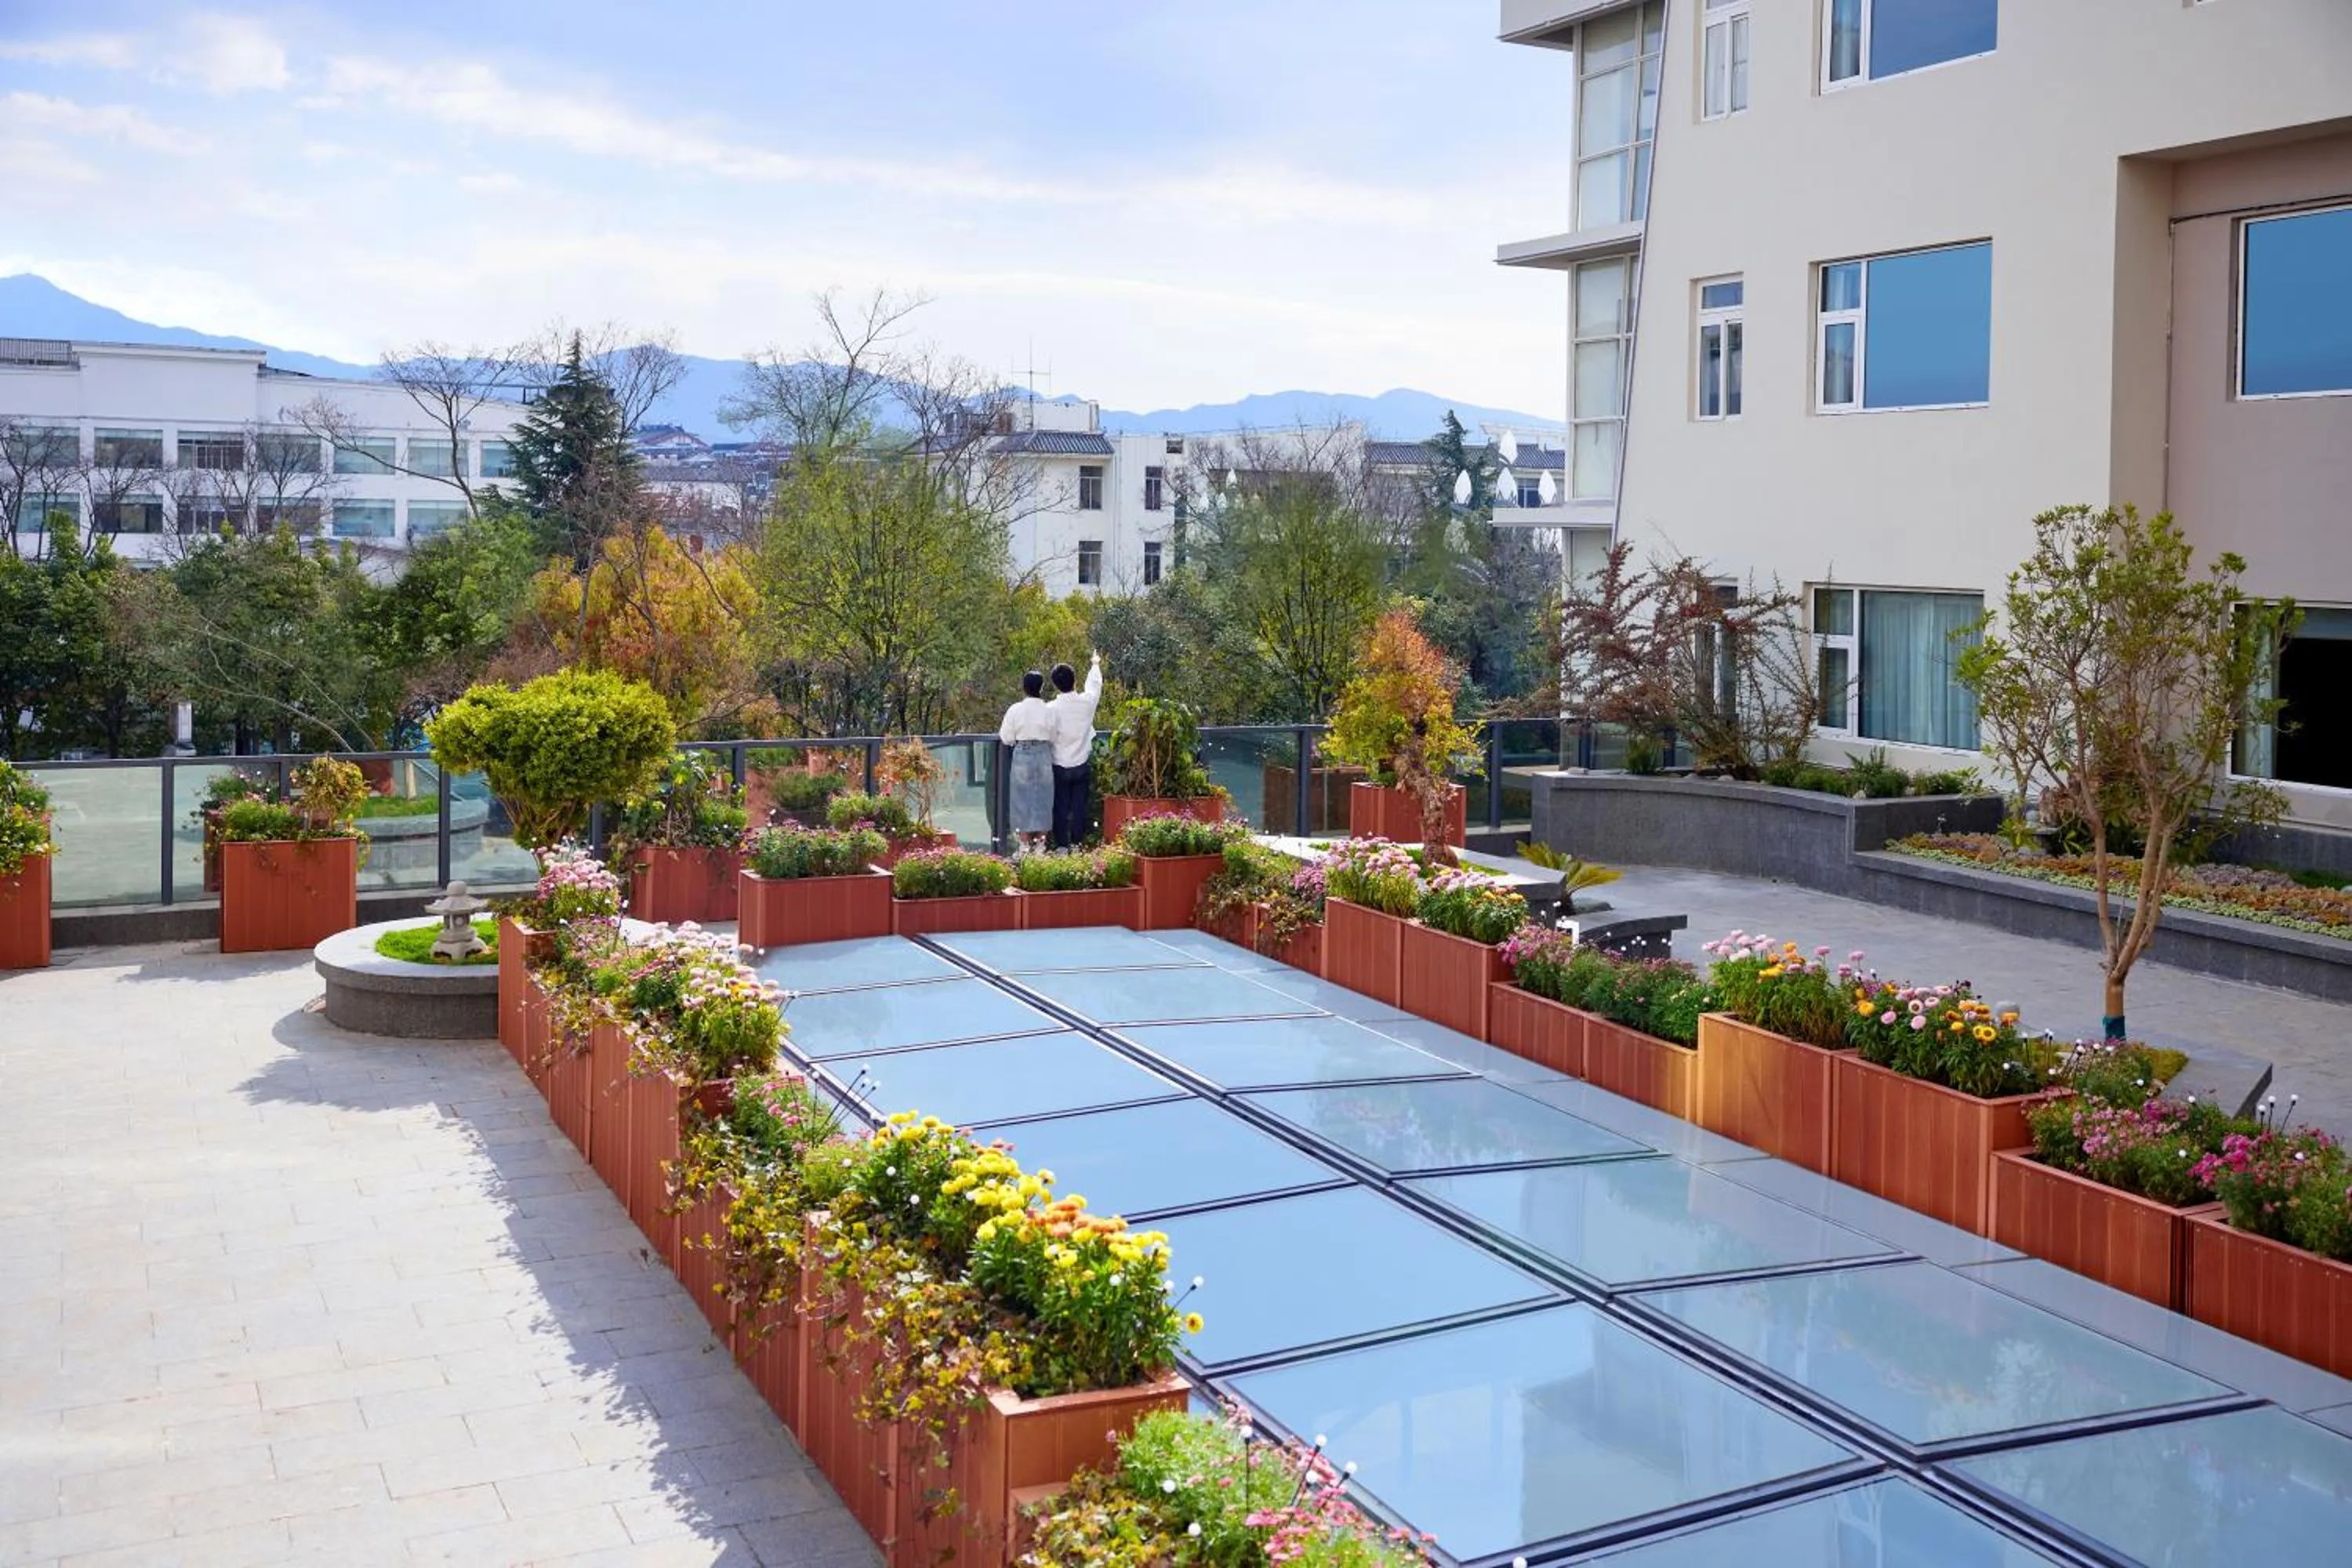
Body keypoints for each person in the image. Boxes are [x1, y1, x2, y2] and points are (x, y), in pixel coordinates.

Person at [1047, 652, 1103, 849]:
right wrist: (1095, 664)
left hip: (1059, 764)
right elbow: (1095, 686)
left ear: (1055, 685)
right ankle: (1077, 843)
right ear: (1075, 680)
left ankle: (1062, 846)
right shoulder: (1086, 703)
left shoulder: (1051, 709)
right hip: (1081, 764)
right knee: (1080, 807)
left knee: (1060, 807)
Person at [998, 670, 1057, 853]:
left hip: (1022, 753)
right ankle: (1040, 844)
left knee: (1020, 799)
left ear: (1024, 687)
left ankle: (1023, 845)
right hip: (1044, 754)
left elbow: (1006, 737)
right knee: (1044, 799)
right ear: (1042, 687)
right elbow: (1054, 736)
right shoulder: (1049, 710)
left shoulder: (1015, 709)